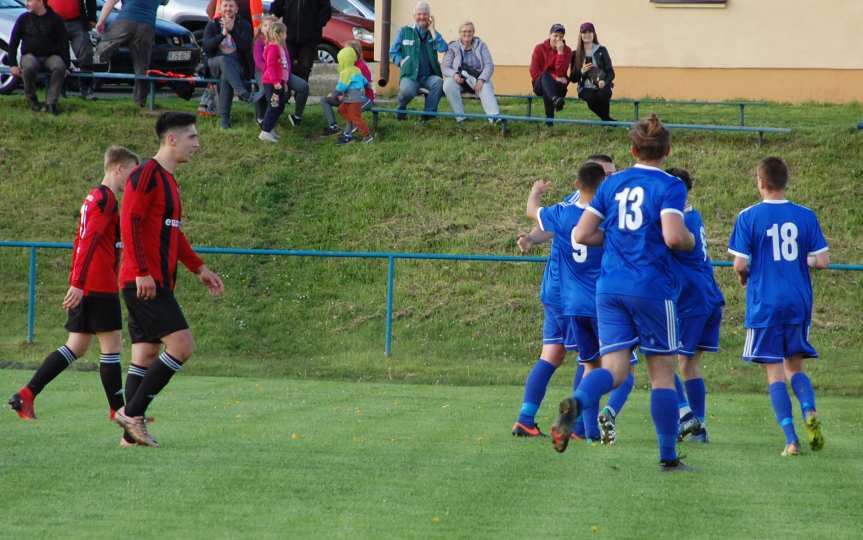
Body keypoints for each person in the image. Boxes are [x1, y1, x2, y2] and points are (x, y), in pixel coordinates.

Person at [551, 115, 696, 471]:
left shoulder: (611, 184)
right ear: (667, 151)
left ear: (632, 149)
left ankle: (579, 400)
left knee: (614, 368)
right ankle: (668, 456)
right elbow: (674, 237)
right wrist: (690, 241)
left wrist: (617, 239)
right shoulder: (671, 185)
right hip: (649, 285)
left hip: (609, 287)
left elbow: (582, 234)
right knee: (661, 372)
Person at [113, 112, 225, 448]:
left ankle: (129, 438)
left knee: (146, 354)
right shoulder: (145, 175)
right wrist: (143, 271)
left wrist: (199, 268)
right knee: (182, 345)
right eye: (192, 137)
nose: (197, 144)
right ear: (171, 139)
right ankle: (132, 415)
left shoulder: (168, 181)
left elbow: (173, 235)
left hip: (153, 278)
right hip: (143, 280)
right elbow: (129, 223)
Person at [8, 146, 139, 426]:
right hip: (98, 284)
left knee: (77, 346)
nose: (132, 179)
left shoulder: (95, 197)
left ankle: (26, 394)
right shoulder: (105, 200)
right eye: (131, 172)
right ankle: (119, 412)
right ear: (118, 168)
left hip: (90, 282)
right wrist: (78, 283)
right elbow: (89, 241)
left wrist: (77, 281)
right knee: (112, 346)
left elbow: (82, 241)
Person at [728, 157, 828, 457]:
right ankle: (809, 409)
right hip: (798, 301)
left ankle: (791, 440)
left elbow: (739, 263)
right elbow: (821, 261)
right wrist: (800, 260)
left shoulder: (749, 216)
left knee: (774, 372)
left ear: (760, 182)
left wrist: (744, 276)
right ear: (786, 181)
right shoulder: (805, 215)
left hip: (765, 303)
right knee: (794, 366)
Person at [665, 168, 724, 444]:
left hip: (692, 297)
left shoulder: (677, 221)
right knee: (689, 364)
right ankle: (697, 427)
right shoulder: (692, 213)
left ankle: (687, 416)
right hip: (708, 293)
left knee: (663, 358)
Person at [7, 0, 70, 115]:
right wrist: (13, 64)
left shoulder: (56, 19)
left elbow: (64, 43)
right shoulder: (23, 19)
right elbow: (13, 43)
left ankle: (51, 103)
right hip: (29, 55)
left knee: (59, 66)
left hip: (50, 56)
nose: (27, 4)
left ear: (41, 2)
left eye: (30, 1)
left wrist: (66, 65)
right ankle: (32, 100)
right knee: (30, 66)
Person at [389, 1, 447, 121]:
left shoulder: (433, 33)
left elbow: (443, 48)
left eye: (425, 14)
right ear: (414, 16)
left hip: (428, 76)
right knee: (406, 91)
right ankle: (402, 107)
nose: (422, 17)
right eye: (419, 14)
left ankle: (428, 116)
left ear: (429, 16)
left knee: (438, 82)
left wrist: (433, 30)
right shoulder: (405, 31)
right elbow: (393, 51)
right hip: (410, 76)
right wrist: (400, 61)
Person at [95, 0, 159, 107]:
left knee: (104, 45)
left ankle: (99, 63)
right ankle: (139, 102)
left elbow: (110, 2)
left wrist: (101, 21)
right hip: (147, 26)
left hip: (125, 21)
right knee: (141, 67)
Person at [202, 0, 254, 129]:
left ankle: (224, 120)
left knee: (226, 76)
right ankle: (242, 92)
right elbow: (207, 47)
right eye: (225, 5)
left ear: (236, 9)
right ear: (220, 8)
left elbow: (246, 47)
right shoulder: (212, 25)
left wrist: (232, 31)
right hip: (215, 65)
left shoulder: (244, 25)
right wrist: (223, 34)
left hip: (236, 66)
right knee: (224, 60)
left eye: (231, 6)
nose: (228, 8)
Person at [441, 21, 500, 123]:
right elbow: (445, 67)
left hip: (477, 78)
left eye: (469, 31)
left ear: (473, 32)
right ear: (459, 33)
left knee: (485, 86)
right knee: (448, 85)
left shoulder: (481, 45)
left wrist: (481, 80)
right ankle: (461, 118)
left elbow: (489, 65)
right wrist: (454, 74)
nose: (467, 34)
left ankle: (495, 118)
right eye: (464, 31)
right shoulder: (453, 47)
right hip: (460, 79)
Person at [269, 0, 331, 83]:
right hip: (289, 36)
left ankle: (302, 90)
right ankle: (287, 89)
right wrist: (273, 14)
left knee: (305, 66)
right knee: (287, 64)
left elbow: (326, 10)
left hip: (310, 37)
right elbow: (277, 6)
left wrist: (316, 25)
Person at [321, 40, 373, 135]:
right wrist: (337, 94)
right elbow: (343, 85)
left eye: (346, 50)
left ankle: (355, 133)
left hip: (362, 99)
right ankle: (333, 126)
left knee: (350, 112)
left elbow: (363, 88)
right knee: (325, 100)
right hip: (348, 97)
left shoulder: (361, 68)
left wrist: (342, 95)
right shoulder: (346, 67)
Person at [48, 0, 97, 100]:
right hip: (54, 22)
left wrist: (92, 17)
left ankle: (87, 89)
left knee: (86, 55)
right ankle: (59, 90)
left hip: (77, 22)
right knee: (58, 58)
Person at [570, 22, 615, 122]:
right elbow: (573, 78)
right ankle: (608, 121)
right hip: (585, 87)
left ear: (594, 34)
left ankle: (607, 121)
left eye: (590, 31)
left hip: (602, 84)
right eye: (584, 32)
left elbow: (611, 73)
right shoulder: (575, 54)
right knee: (591, 98)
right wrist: (581, 71)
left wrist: (605, 82)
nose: (587, 34)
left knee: (602, 94)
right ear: (580, 35)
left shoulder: (602, 50)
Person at [529, 23, 571, 126]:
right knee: (545, 76)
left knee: (548, 89)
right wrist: (555, 77)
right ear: (549, 35)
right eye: (555, 35)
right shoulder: (539, 48)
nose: (558, 39)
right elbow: (534, 72)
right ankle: (555, 101)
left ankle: (550, 122)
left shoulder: (567, 50)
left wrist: (560, 53)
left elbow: (561, 72)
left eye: (561, 37)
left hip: (559, 87)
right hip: (539, 83)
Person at [333, 46, 373, 145]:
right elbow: (364, 80)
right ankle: (352, 125)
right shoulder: (356, 69)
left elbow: (342, 86)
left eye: (340, 60)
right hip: (351, 99)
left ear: (343, 60)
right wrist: (368, 84)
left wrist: (335, 93)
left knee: (356, 117)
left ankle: (367, 136)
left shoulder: (346, 72)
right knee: (341, 110)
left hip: (353, 99)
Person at [258, 21, 290, 143]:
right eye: (285, 32)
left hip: (279, 82)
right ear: (279, 34)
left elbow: (283, 67)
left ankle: (269, 128)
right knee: (274, 105)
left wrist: (284, 82)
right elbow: (270, 66)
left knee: (280, 106)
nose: (286, 35)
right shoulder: (273, 48)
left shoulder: (280, 48)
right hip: (271, 83)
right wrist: (276, 81)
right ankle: (265, 131)